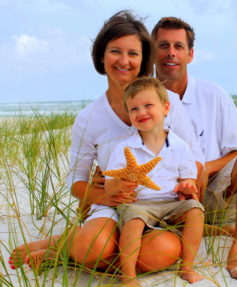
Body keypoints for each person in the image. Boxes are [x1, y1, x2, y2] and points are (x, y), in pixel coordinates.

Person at [8, 11, 205, 275]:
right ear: (102, 56)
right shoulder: (89, 117)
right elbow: (75, 181)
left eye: (133, 53)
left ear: (144, 59)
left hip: (161, 205)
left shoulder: (167, 100)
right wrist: (105, 196)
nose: (124, 61)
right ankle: (73, 244)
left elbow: (195, 159)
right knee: (95, 247)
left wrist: (184, 185)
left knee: (162, 253)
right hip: (111, 207)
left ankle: (62, 251)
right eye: (115, 51)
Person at [151, 17, 237, 282]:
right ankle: (204, 229)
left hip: (214, 188)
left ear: (190, 54)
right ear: (152, 51)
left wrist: (205, 167)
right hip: (165, 198)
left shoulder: (212, 94)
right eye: (163, 45)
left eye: (178, 46)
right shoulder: (141, 96)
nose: (171, 52)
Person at [103, 76, 204, 286]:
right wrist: (121, 184)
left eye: (148, 105)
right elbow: (109, 182)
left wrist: (187, 185)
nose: (141, 112)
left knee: (195, 209)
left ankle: (187, 267)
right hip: (139, 204)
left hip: (171, 202)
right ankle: (128, 275)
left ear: (166, 108)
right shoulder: (125, 148)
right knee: (134, 220)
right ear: (129, 116)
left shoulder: (180, 146)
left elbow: (188, 177)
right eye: (134, 109)